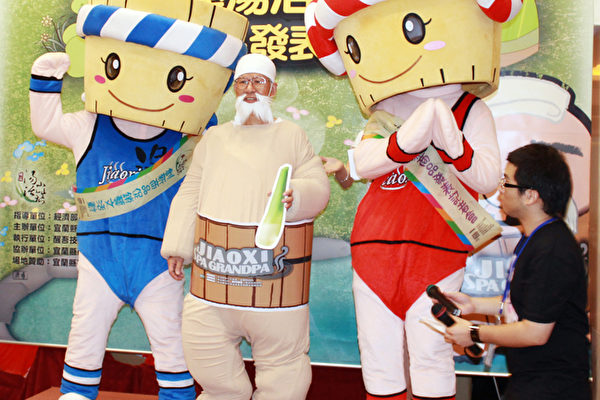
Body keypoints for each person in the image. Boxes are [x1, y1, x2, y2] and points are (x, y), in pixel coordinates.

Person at [161, 53, 330, 400]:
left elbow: (317, 184)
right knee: (207, 358)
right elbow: (191, 191)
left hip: (275, 286)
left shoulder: (291, 135)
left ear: (272, 89)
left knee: (285, 373)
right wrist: (177, 246)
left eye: (258, 82)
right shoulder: (214, 139)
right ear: (235, 90)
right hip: (214, 281)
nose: (250, 89)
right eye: (243, 82)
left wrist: (296, 195)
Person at [443, 143, 591, 400]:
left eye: (506, 182)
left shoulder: (552, 249)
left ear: (530, 195)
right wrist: (473, 304)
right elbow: (522, 304)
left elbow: (535, 332)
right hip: (531, 381)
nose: (500, 190)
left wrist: (474, 333)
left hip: (553, 388)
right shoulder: (536, 238)